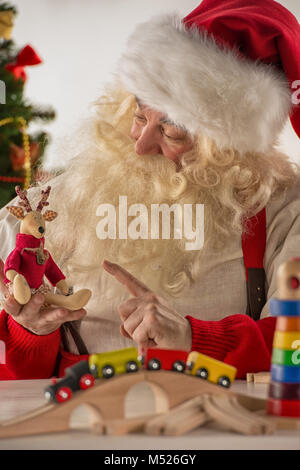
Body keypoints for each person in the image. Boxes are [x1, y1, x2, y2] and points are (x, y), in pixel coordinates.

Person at [0, 0, 300, 380]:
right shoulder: (50, 206)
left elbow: (295, 346)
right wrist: (32, 333)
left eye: (172, 131)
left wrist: (196, 339)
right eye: (140, 114)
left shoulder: (284, 209)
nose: (139, 144)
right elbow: (16, 375)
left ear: (227, 149)